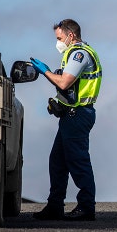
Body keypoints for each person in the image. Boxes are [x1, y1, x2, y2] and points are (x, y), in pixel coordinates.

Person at [30, 19, 102, 221]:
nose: (58, 42)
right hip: (72, 114)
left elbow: (64, 82)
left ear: (71, 36)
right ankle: (55, 206)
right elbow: (71, 90)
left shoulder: (79, 54)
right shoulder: (72, 54)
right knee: (58, 162)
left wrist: (44, 71)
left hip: (78, 115)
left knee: (78, 162)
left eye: (59, 38)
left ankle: (87, 208)